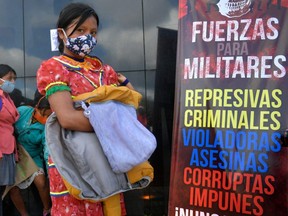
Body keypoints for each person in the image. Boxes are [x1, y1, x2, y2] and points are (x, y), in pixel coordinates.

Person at [36, 2, 134, 215]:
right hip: (73, 158)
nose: (87, 36)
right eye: (80, 30)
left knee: (110, 204)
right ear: (62, 33)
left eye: (93, 31)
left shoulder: (104, 70)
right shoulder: (54, 67)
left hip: (107, 157)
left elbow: (129, 107)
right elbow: (68, 119)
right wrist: (115, 124)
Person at [7, 90, 52, 216]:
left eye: (49, 116)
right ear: (37, 108)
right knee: (13, 188)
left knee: (41, 182)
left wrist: (50, 172)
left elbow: (46, 149)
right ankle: (24, 214)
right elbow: (7, 125)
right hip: (15, 154)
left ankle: (47, 209)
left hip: (33, 157)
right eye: (43, 114)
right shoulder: (22, 111)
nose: (45, 118)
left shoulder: (47, 128)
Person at [0, 64, 19, 216]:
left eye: (14, 79)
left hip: (8, 148)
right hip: (1, 150)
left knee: (4, 189)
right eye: (9, 78)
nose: (12, 82)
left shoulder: (7, 98)